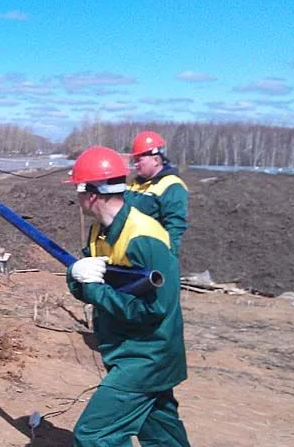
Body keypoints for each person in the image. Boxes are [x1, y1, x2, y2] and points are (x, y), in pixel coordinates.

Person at [65, 146, 190, 446]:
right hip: (125, 348)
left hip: (147, 357)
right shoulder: (101, 230)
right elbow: (91, 282)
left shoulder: (144, 238)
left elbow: (152, 308)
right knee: (161, 434)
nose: (76, 198)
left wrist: (93, 289)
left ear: (91, 194)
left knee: (95, 434)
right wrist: (76, 276)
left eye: (79, 190)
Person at [125, 130, 189, 256]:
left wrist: (167, 258)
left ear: (156, 160)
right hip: (129, 251)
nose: (136, 164)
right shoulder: (134, 184)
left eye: (139, 160)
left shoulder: (172, 186)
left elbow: (174, 228)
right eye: (135, 160)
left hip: (151, 253)